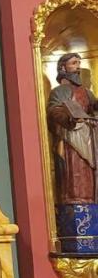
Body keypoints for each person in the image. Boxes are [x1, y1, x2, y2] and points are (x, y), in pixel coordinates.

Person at [47, 52, 98, 204]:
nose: (78, 67)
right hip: (70, 136)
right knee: (74, 169)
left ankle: (91, 199)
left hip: (88, 136)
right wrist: (71, 117)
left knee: (88, 170)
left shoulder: (87, 92)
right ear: (63, 67)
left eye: (78, 63)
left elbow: (93, 108)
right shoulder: (58, 91)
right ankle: (74, 199)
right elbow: (54, 111)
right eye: (74, 63)